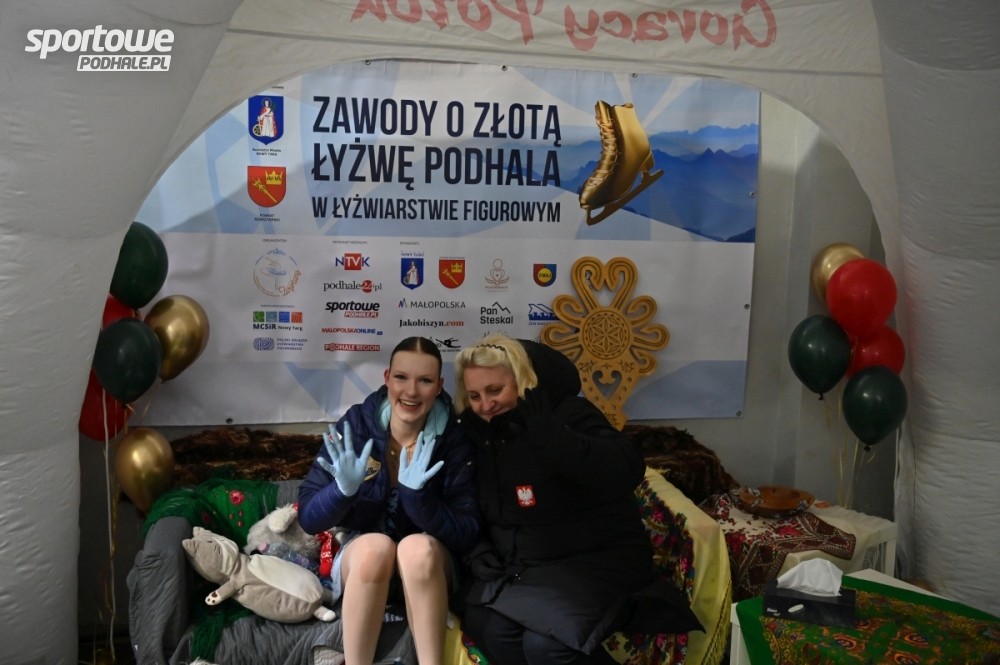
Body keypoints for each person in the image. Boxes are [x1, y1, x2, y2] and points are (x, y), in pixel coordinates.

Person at [452, 334, 702, 665]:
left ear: (524, 382)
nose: (486, 405)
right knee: (492, 628)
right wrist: (476, 550)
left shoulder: (568, 412)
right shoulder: (478, 433)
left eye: (495, 390)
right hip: (529, 566)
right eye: (475, 396)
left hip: (597, 560)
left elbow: (625, 468)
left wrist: (551, 435)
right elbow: (466, 504)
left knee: (547, 647)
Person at [298, 336, 481, 665]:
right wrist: (341, 492)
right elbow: (309, 519)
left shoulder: (454, 438)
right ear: (387, 378)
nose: (411, 391)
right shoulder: (357, 423)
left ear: (439, 387)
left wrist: (418, 500)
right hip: (363, 561)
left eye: (424, 381)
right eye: (401, 377)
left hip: (430, 566)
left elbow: (467, 532)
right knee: (375, 547)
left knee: (415, 548)